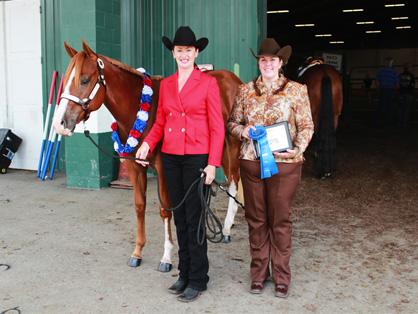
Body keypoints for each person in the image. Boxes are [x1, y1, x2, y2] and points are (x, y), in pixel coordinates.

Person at [135, 26, 224, 302]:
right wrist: (148, 142)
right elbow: (160, 120)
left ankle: (199, 278)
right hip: (172, 157)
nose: (184, 55)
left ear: (196, 52)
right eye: (179, 50)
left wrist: (213, 164)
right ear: (173, 53)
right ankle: (184, 273)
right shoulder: (168, 85)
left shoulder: (208, 83)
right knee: (180, 217)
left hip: (197, 157)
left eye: (188, 50)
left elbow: (217, 128)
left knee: (195, 219)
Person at [227, 38, 314, 298]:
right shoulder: (245, 91)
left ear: (281, 62)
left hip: (284, 165)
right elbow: (232, 123)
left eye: (272, 60)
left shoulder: (297, 90)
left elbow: (307, 125)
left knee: (280, 219)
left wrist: (297, 149)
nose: (267, 64)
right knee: (256, 219)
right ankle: (258, 273)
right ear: (259, 62)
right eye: (263, 59)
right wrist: (245, 130)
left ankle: (282, 275)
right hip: (251, 162)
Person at [375, 57, 399, 127]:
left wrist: (378, 88)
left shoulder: (382, 71)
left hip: (385, 90)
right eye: (389, 62)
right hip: (388, 90)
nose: (389, 63)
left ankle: (382, 122)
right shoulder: (393, 72)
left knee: (383, 106)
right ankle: (387, 122)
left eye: (390, 62)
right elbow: (397, 83)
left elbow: (377, 81)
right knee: (388, 106)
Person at [398, 63, 415, 128]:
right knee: (406, 109)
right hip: (408, 93)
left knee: (400, 109)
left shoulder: (400, 75)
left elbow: (398, 84)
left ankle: (400, 123)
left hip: (401, 93)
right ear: (409, 68)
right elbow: (412, 85)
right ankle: (404, 124)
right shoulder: (411, 75)